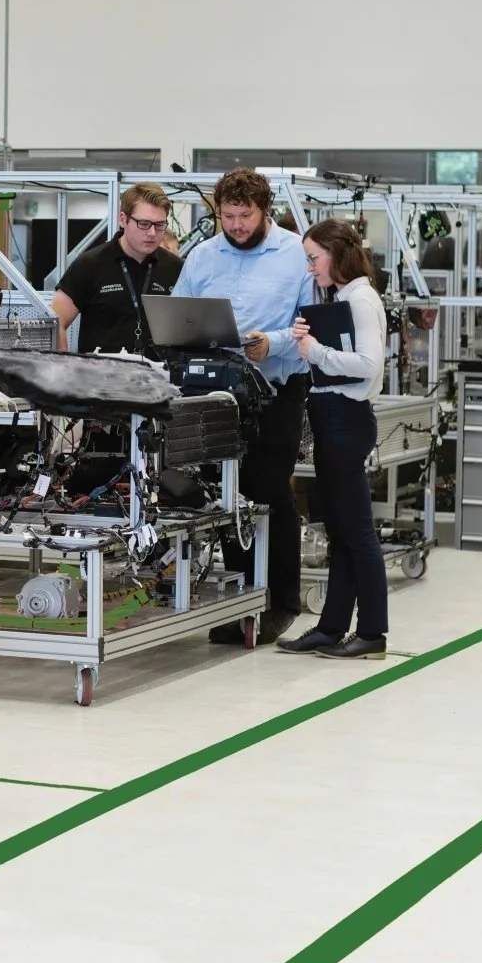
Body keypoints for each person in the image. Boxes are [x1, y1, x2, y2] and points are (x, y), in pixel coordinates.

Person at [173, 168, 311, 644]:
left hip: (276, 391)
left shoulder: (296, 254)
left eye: (244, 216)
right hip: (217, 394)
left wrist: (271, 343)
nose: (235, 225)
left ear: (265, 210)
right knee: (227, 497)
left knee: (267, 491)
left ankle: (280, 602)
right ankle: (240, 601)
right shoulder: (203, 256)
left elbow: (309, 323)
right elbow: (179, 313)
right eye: (227, 216)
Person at [279, 220, 390, 659]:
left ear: (337, 252)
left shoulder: (360, 299)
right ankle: (331, 628)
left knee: (357, 533)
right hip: (332, 418)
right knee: (341, 532)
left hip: (346, 419)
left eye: (314, 258)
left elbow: (369, 365)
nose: (310, 268)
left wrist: (316, 352)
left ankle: (373, 633)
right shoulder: (342, 298)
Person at [52, 182, 182, 355]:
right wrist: (63, 365)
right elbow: (56, 321)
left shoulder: (175, 268)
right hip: (101, 370)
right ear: (123, 220)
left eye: (159, 225)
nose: (152, 233)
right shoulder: (90, 264)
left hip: (159, 370)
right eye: (144, 224)